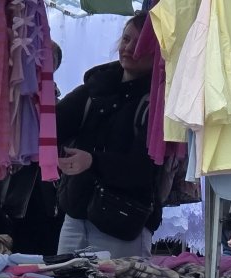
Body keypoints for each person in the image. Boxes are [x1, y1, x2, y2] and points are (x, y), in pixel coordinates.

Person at [56, 12, 161, 258]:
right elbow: (53, 124)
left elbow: (144, 170)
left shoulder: (158, 102)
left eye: (141, 43)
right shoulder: (94, 88)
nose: (129, 48)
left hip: (123, 221)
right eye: (126, 39)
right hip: (76, 213)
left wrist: (92, 161)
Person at [0, 41, 64, 259]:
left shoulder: (59, 112)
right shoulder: (4, 113)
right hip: (9, 221)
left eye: (47, 64)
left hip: (50, 222)